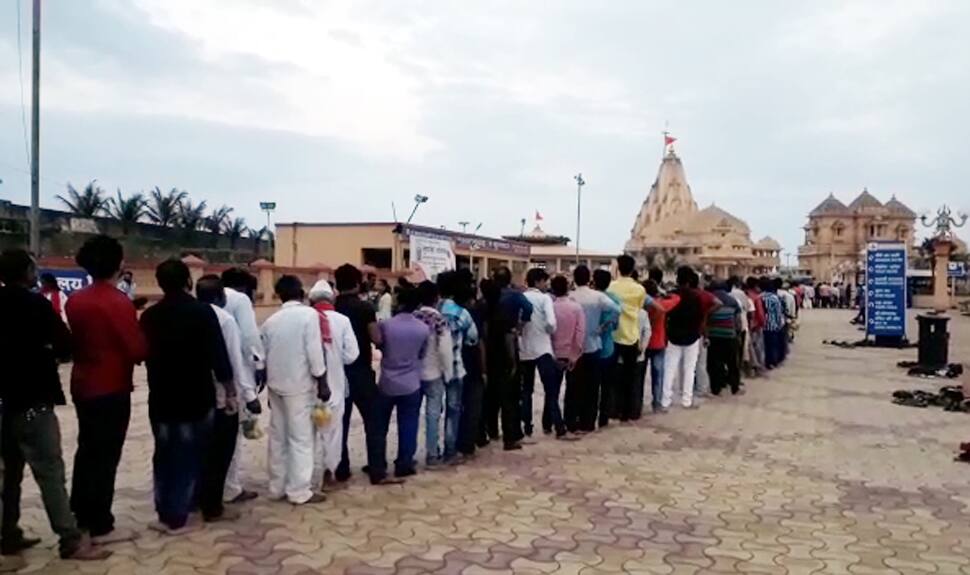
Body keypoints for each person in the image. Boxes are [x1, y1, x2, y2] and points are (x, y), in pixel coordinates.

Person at [0, 250, 108, 561]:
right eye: (32, 267)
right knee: (49, 472)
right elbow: (64, 343)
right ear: (25, 272)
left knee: (9, 475)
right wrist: (45, 351)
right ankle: (70, 540)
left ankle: (8, 535)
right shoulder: (35, 305)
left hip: (4, 403)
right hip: (33, 400)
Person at [140, 260, 235, 532]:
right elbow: (220, 357)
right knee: (191, 454)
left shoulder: (150, 316)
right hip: (196, 395)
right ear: (188, 282)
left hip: (161, 396)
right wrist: (230, 392)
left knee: (164, 454)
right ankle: (179, 514)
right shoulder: (203, 313)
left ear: (160, 284)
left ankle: (165, 509)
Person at [65, 235, 147, 545]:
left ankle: (80, 512)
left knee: (87, 450)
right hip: (111, 386)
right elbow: (136, 349)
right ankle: (100, 523)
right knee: (105, 455)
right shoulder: (116, 301)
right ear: (118, 263)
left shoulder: (77, 300)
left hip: (83, 383)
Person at [260, 275, 329, 505]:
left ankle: (276, 486)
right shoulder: (309, 316)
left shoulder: (271, 321)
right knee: (301, 438)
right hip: (299, 386)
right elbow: (314, 350)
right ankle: (299, 491)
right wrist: (322, 380)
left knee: (278, 437)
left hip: (276, 385)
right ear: (301, 293)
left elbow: (263, 357)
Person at [194, 275, 257, 522]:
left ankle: (197, 497)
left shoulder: (191, 313)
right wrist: (246, 393)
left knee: (200, 447)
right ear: (221, 297)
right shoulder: (225, 320)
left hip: (194, 392)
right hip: (222, 393)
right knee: (222, 449)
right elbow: (233, 361)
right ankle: (217, 502)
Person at [371, 286, 429, 483]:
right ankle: (404, 463)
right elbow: (422, 354)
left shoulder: (386, 325)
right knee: (408, 424)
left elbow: (380, 346)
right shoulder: (423, 328)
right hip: (411, 381)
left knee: (380, 426)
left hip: (387, 381)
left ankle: (378, 464)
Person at [307, 280, 359, 491]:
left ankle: (302, 480)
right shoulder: (342, 321)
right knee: (332, 433)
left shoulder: (305, 318)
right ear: (333, 299)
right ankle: (329, 477)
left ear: (310, 300)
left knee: (306, 435)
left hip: (306, 389)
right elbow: (351, 355)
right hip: (334, 387)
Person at [220, 268, 265, 504]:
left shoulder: (209, 298)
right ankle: (231, 487)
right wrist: (260, 365)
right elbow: (249, 338)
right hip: (237, 375)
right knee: (233, 434)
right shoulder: (240, 300)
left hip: (211, 373)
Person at [333, 264, 381, 483]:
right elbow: (376, 338)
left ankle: (341, 469)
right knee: (374, 420)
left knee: (339, 423)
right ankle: (376, 469)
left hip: (337, 374)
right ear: (356, 282)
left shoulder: (331, 308)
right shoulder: (365, 308)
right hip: (361, 370)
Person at [486, 267, 533, 450]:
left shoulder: (487, 299)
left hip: (487, 347)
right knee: (510, 395)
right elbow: (529, 308)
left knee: (491, 394)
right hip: (507, 346)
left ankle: (491, 430)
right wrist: (520, 325)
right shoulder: (514, 296)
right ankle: (510, 435)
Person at [569, 265, 620, 432]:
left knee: (574, 386)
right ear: (588, 278)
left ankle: (572, 420)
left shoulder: (570, 297)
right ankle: (588, 422)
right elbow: (617, 309)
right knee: (592, 387)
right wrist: (604, 326)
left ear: (574, 278)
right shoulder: (597, 297)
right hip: (594, 344)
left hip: (574, 349)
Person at [661, 267, 718, 411]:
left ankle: (665, 401)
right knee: (689, 369)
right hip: (692, 336)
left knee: (670, 369)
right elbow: (700, 314)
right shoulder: (696, 297)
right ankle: (687, 401)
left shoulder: (671, 295)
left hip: (673, 336)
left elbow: (666, 315)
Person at [437, 271, 479, 463]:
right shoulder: (462, 313)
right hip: (455, 367)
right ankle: (450, 450)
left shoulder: (432, 308)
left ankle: (431, 450)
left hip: (431, 369)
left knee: (432, 410)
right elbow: (473, 338)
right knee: (453, 410)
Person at [413, 281, 455, 468]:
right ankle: (432, 454)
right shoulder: (439, 319)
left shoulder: (413, 317)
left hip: (413, 375)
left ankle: (408, 454)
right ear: (437, 298)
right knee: (433, 415)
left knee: (411, 415)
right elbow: (445, 350)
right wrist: (449, 373)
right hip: (434, 373)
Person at [517, 268, 559, 438]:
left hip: (525, 349)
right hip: (543, 348)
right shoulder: (544, 299)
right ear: (538, 282)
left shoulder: (521, 298)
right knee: (551, 388)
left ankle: (527, 425)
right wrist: (547, 331)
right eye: (544, 281)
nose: (546, 284)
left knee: (526, 390)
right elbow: (551, 323)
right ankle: (554, 424)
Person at [606, 256, 649, 422]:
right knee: (630, 377)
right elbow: (639, 309)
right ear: (632, 269)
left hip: (614, 335)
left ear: (618, 268)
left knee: (613, 376)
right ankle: (628, 412)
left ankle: (613, 409)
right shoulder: (639, 289)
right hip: (632, 335)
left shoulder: (611, 287)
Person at [550, 275, 585, 439]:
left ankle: (549, 422)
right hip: (572, 355)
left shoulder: (550, 307)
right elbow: (580, 333)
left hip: (554, 354)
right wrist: (575, 354)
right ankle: (570, 423)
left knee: (553, 391)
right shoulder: (576, 308)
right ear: (568, 287)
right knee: (572, 391)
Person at [644, 279, 678, 413]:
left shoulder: (641, 305)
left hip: (642, 343)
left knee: (639, 376)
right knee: (658, 375)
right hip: (658, 342)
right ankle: (657, 404)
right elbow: (676, 298)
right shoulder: (661, 304)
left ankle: (636, 403)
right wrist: (665, 294)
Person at [592, 269, 621, 426]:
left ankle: (589, 416)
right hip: (608, 346)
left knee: (591, 385)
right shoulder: (614, 300)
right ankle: (603, 417)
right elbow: (616, 325)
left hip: (591, 347)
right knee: (607, 385)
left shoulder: (590, 298)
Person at [706, 281, 742, 396]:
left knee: (714, 363)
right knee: (732, 363)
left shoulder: (709, 300)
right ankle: (735, 387)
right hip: (729, 335)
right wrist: (738, 332)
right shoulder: (732, 301)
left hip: (713, 336)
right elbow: (738, 320)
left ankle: (716, 388)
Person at [728, 276, 754, 379]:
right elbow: (747, 309)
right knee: (741, 349)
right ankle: (740, 373)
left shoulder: (728, 294)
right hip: (740, 325)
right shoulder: (741, 294)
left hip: (728, 326)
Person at [744, 277, 767, 376]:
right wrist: (762, 323)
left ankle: (749, 368)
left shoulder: (745, 295)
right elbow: (760, 314)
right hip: (756, 326)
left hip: (746, 325)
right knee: (757, 347)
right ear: (755, 286)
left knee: (748, 348)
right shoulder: (756, 297)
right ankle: (758, 368)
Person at [761, 278, 786, 369]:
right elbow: (778, 312)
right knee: (772, 345)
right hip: (773, 324)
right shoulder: (775, 298)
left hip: (762, 324)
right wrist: (779, 324)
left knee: (764, 344)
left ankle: (765, 361)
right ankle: (772, 362)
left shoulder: (760, 297)